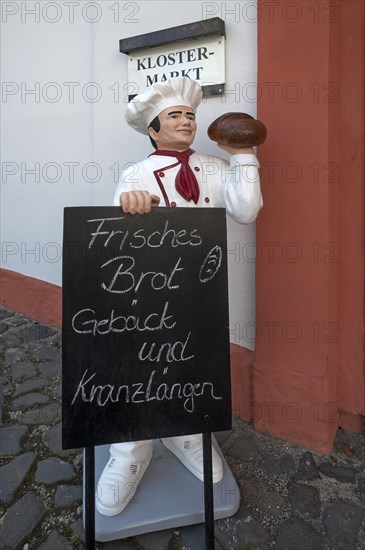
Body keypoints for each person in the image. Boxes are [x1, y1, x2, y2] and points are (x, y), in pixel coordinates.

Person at [96, 77, 263, 517]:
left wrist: (244, 156)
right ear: (153, 129)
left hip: (200, 287)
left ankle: (187, 433)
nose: (186, 121)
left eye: (190, 114)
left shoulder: (215, 166)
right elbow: (112, 241)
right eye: (175, 115)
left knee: (195, 361)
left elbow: (246, 211)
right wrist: (127, 205)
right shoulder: (135, 174)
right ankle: (130, 451)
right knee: (139, 365)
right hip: (147, 294)